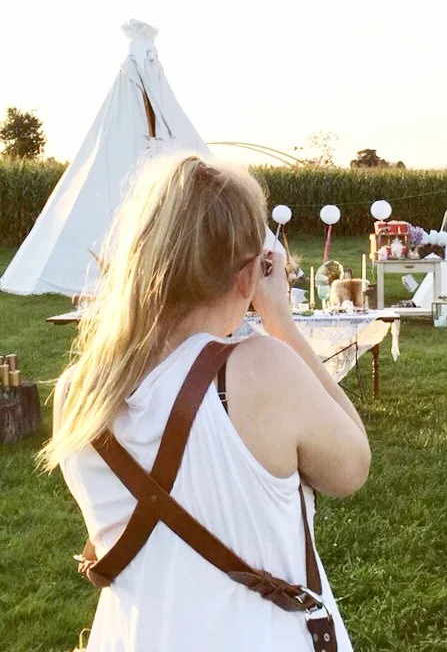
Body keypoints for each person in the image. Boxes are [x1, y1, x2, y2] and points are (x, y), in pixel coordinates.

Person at [41, 155, 370, 651]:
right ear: (247, 276)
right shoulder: (261, 369)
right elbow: (352, 466)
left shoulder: (77, 389)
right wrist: (279, 316)